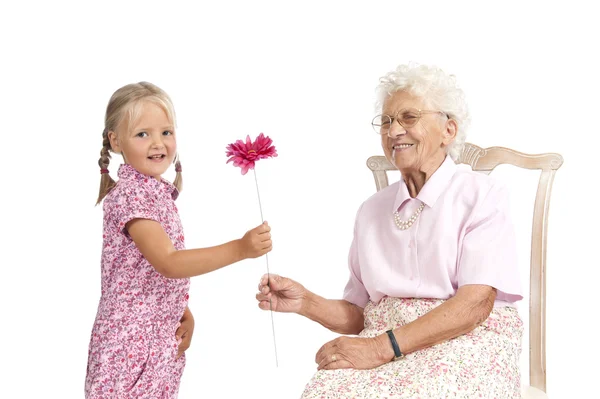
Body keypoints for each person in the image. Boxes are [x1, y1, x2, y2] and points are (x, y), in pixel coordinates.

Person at [256, 63, 523, 398]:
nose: (394, 130)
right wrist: (305, 302)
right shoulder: (371, 211)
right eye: (386, 121)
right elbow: (358, 315)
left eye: (409, 117)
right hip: (385, 341)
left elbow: (474, 305)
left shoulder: (482, 195)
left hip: (466, 339)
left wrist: (381, 348)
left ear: (448, 130)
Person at [85, 82, 273, 398]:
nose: (157, 143)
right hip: (128, 351)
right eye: (142, 134)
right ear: (115, 141)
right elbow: (168, 262)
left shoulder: (156, 194)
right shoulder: (130, 196)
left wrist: (177, 308)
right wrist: (240, 248)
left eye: (166, 132)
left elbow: (144, 274)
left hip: (156, 342)